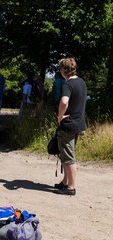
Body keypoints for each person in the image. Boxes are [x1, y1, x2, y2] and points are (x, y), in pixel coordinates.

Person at [54, 57, 87, 196]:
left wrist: (60, 116)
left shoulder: (67, 84)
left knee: (68, 157)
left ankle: (71, 187)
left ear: (63, 70)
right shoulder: (82, 82)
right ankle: (65, 182)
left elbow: (64, 100)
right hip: (79, 123)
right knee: (67, 154)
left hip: (68, 124)